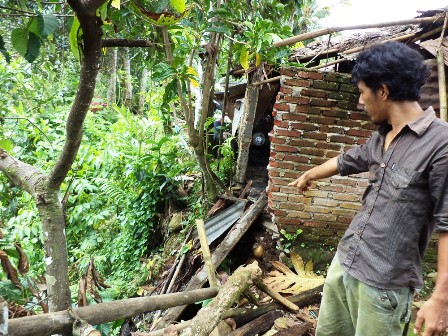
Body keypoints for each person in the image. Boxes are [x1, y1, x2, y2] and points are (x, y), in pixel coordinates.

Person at [288, 41, 448, 336]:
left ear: (383, 91)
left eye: (363, 93)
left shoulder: (441, 145)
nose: (360, 102)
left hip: (383, 286)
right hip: (345, 262)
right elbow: (347, 160)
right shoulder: (382, 137)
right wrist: (309, 174)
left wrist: (440, 299)